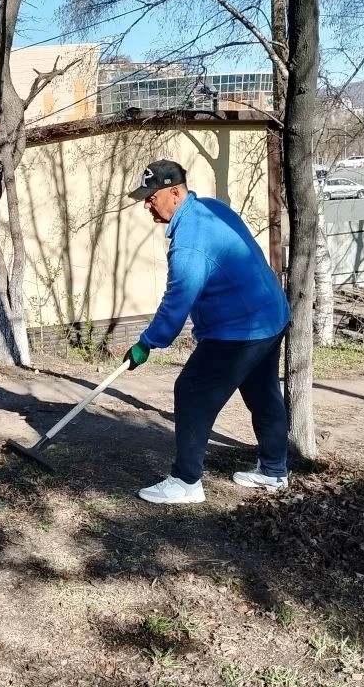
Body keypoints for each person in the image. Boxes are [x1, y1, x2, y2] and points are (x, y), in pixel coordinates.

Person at [122, 159, 291, 505]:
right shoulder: (210, 208)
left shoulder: (188, 243)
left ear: (173, 192)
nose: (146, 205)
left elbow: (178, 299)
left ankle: (186, 482)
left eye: (151, 197)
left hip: (240, 328)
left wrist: (148, 342)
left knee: (192, 390)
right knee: (262, 392)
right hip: (269, 314)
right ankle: (274, 470)